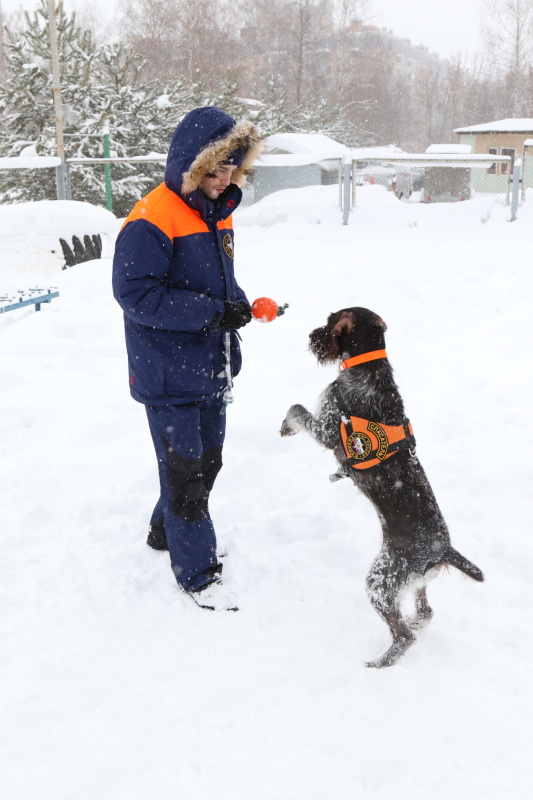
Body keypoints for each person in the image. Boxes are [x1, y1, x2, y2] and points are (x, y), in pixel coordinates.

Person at [112, 107, 262, 610]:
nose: (223, 180)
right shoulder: (151, 219)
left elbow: (213, 281)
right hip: (167, 372)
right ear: (190, 165)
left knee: (207, 462)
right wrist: (213, 312)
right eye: (214, 169)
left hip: (209, 365)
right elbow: (135, 294)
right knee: (186, 475)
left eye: (231, 170)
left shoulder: (216, 211)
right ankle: (196, 574)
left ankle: (163, 531)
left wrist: (235, 304)